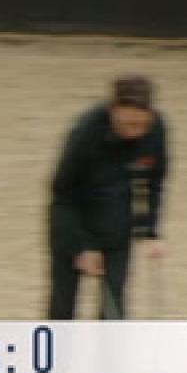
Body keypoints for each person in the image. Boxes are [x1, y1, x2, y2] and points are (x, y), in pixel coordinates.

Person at [46, 75, 169, 323]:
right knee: (63, 307)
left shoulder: (155, 129)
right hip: (74, 220)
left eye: (141, 125)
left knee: (114, 306)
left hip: (117, 225)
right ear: (114, 111)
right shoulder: (86, 132)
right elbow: (62, 192)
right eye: (128, 124)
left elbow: (154, 181)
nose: (135, 132)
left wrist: (149, 230)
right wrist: (81, 247)